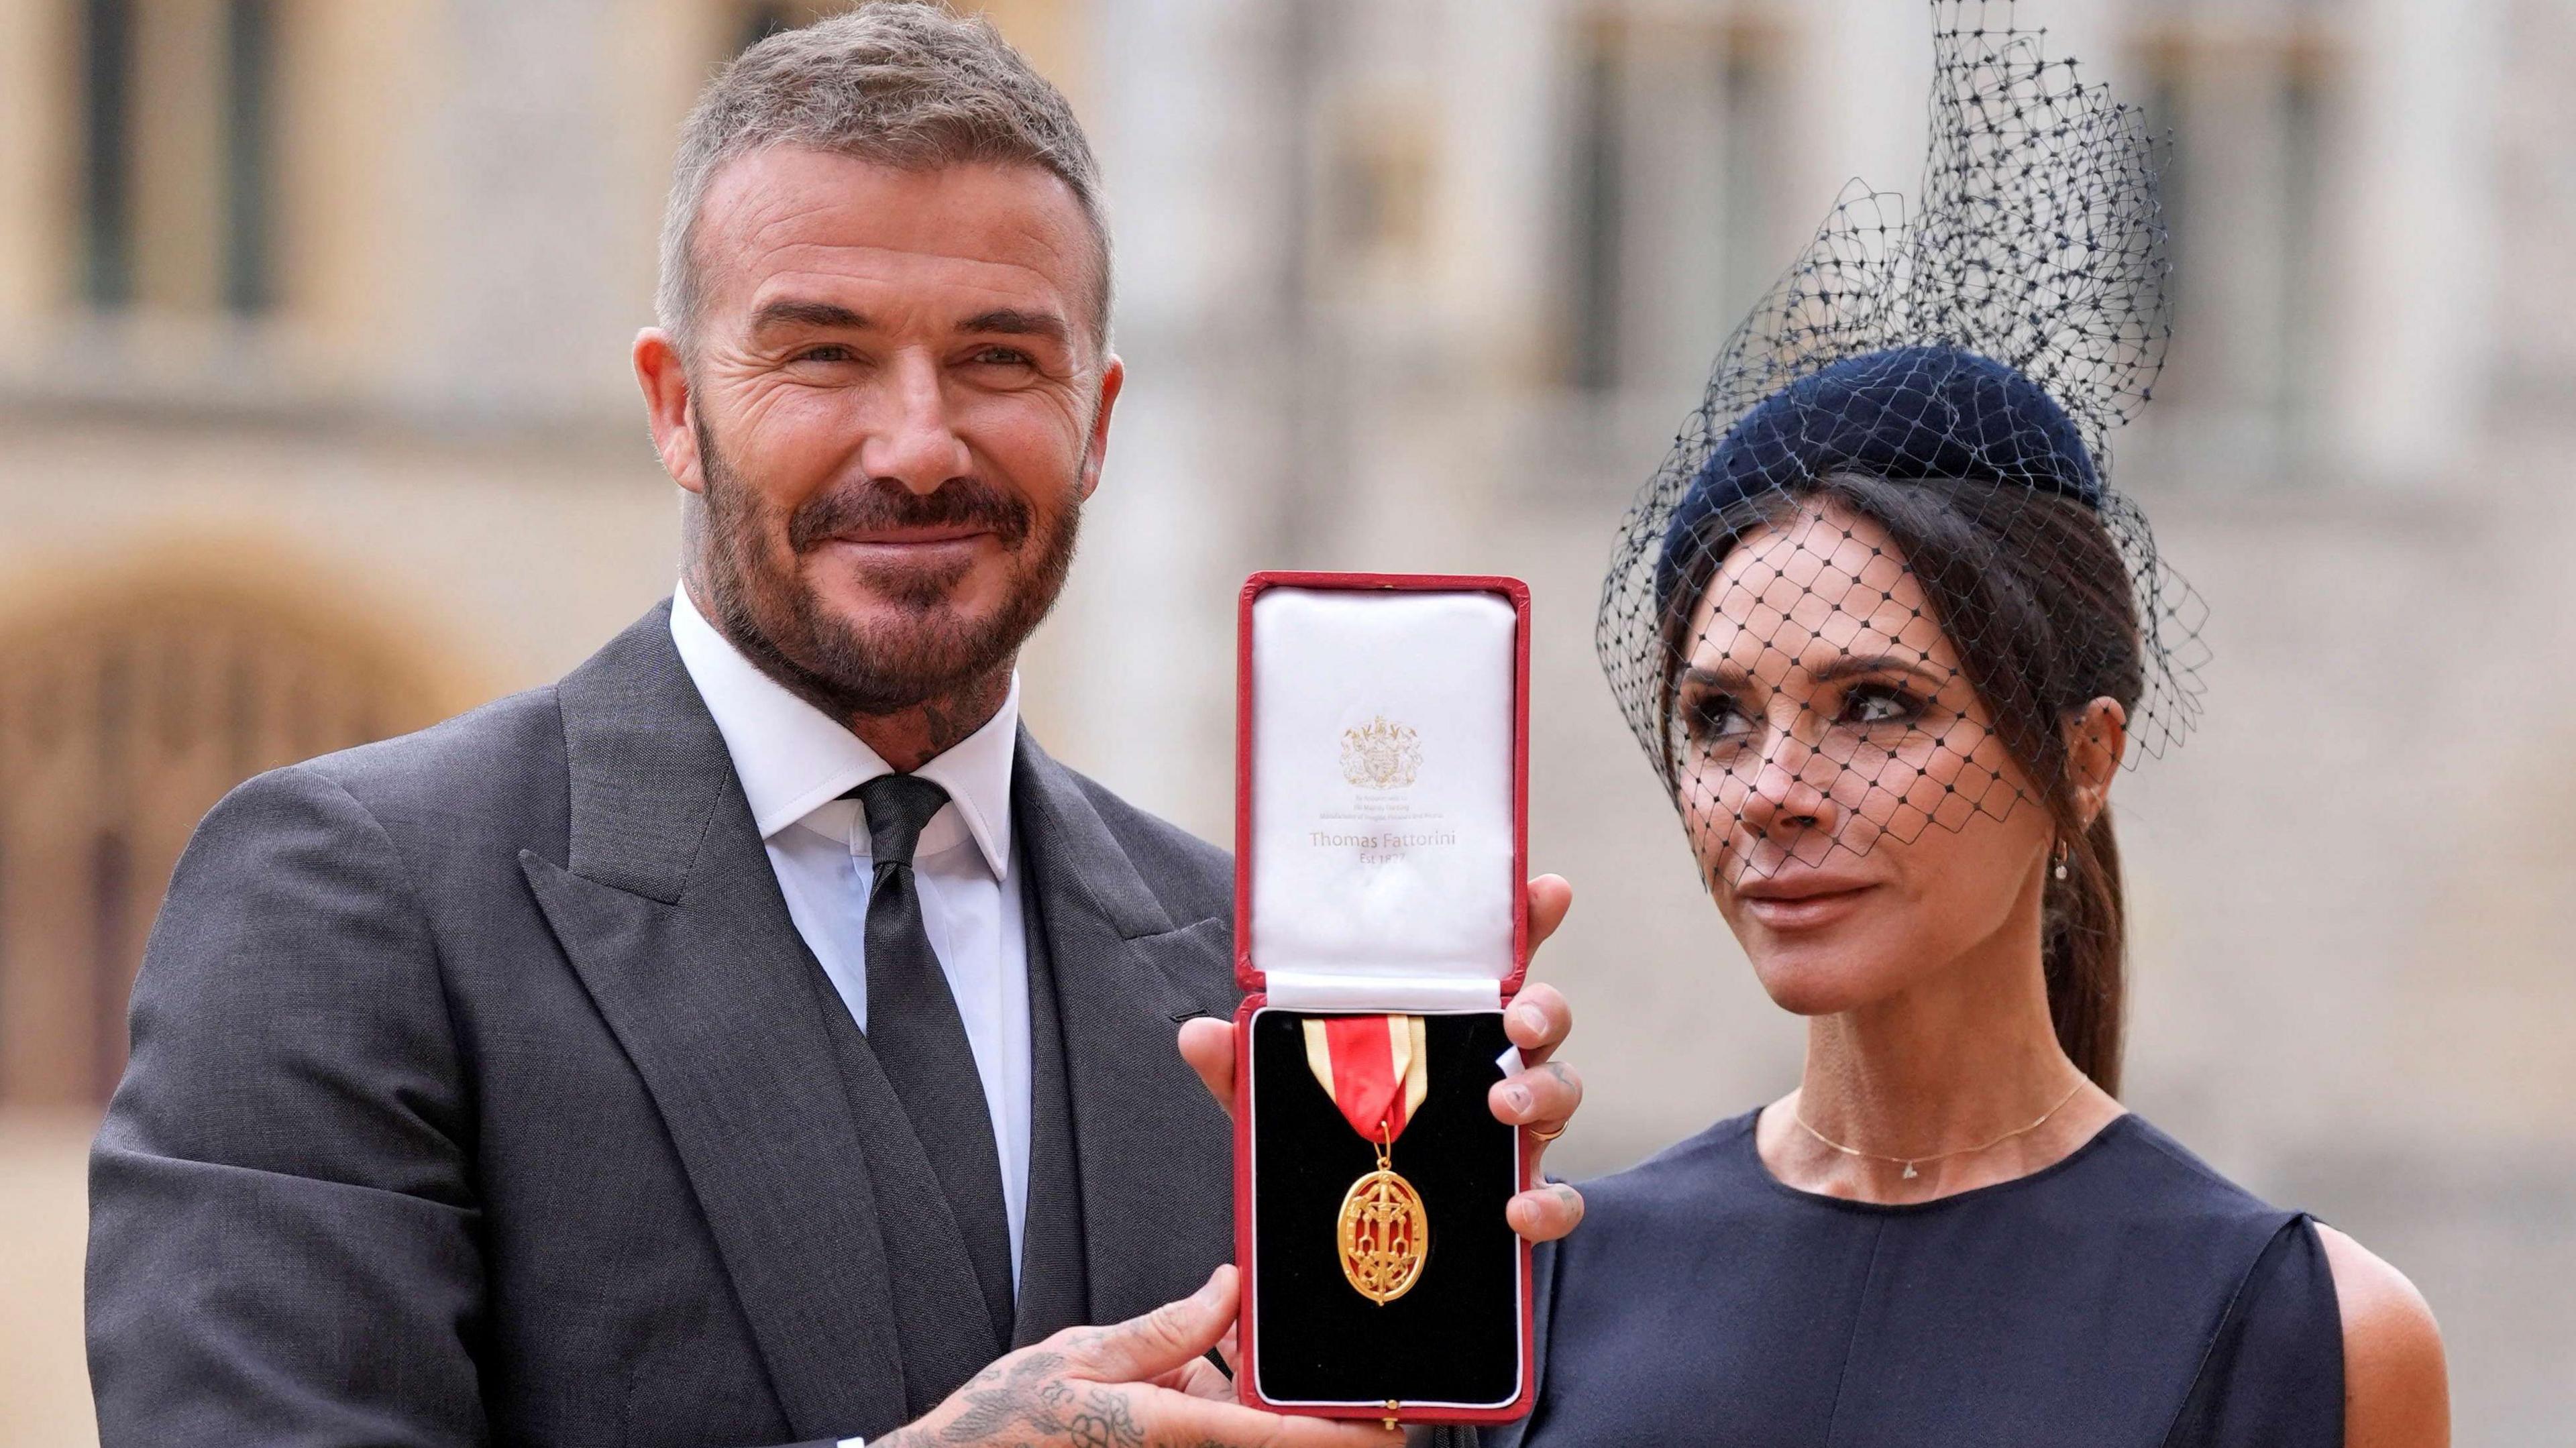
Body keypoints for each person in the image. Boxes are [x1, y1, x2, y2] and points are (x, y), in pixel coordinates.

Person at [83, 7, 1587, 1447]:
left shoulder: (1242, 968)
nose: (920, 445)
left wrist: (1449, 1305)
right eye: (823, 354)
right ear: (676, 407)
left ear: (1100, 420)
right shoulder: (358, 895)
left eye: (1001, 358)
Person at [1500, 7, 2448, 1447]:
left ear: (2086, 756)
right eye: (1717, 719)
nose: (1774, 792)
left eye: (1877, 707)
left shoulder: (2303, 1327)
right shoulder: (1554, 1281)